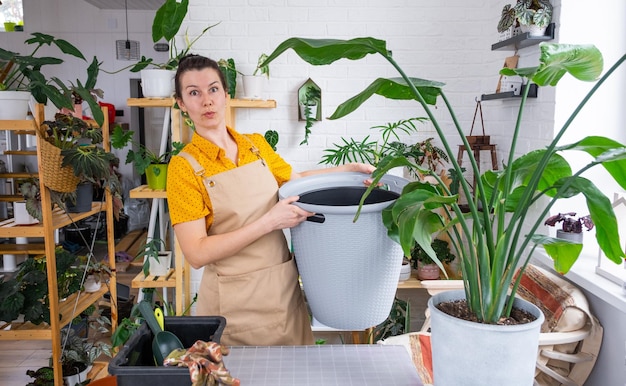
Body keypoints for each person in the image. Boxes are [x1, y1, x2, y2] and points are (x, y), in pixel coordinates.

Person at [167, 54, 374, 346]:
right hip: (233, 307)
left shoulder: (255, 145)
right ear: (181, 103)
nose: (206, 101)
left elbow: (297, 178)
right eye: (194, 93)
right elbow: (197, 253)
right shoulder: (184, 167)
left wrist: (347, 171)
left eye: (213, 89)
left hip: (282, 295)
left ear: (226, 95)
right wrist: (269, 222)